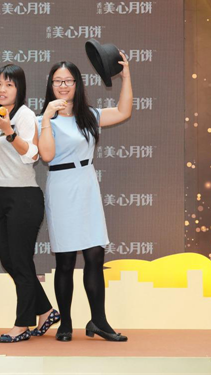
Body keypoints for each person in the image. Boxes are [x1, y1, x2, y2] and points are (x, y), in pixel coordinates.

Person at [37, 55, 132, 342]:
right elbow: (46, 156)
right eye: (58, 81)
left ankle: (98, 321)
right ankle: (65, 323)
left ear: (77, 84)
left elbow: (123, 111)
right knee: (65, 260)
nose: (63, 86)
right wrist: (46, 119)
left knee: (94, 255)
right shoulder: (43, 119)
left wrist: (125, 77)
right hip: (61, 186)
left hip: (87, 184)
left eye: (68, 80)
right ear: (50, 85)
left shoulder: (89, 115)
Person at [0, 64, 60, 343]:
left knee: (20, 260)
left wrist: (9, 132)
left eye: (9, 84)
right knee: (10, 260)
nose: (2, 90)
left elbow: (33, 155)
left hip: (24, 197)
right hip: (2, 195)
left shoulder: (25, 116)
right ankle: (46, 310)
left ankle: (22, 324)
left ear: (20, 88)